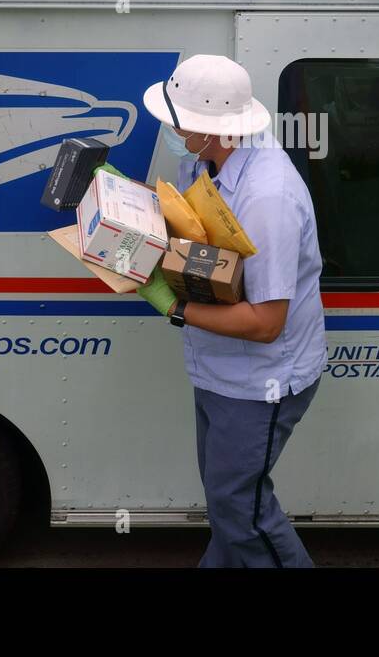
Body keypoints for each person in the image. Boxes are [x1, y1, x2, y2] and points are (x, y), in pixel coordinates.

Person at [135, 53, 327, 568]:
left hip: (259, 383)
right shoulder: (202, 161)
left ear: (208, 127)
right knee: (227, 505)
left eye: (177, 121)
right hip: (219, 368)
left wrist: (172, 307)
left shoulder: (269, 197)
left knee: (243, 513)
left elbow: (265, 324)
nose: (170, 129)